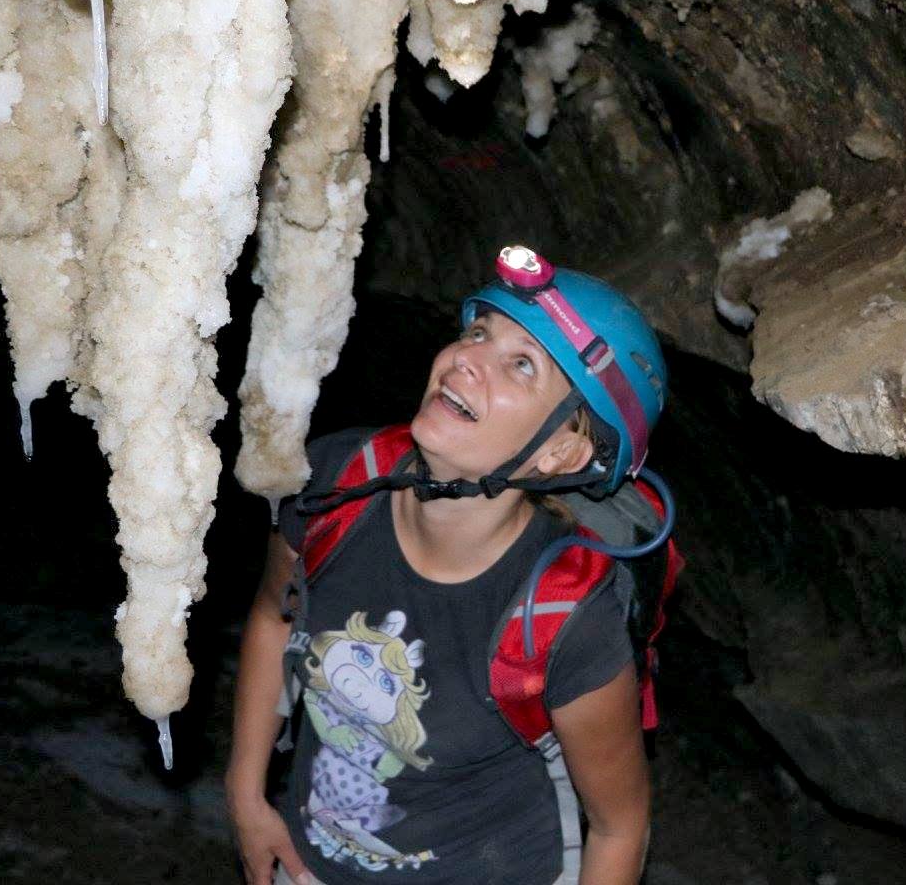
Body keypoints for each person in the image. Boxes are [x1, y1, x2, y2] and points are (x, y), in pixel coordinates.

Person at [226, 246, 668, 885]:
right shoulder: (334, 485)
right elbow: (276, 618)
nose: (466, 358)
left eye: (521, 364)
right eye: (478, 332)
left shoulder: (564, 616)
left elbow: (619, 827)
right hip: (311, 863)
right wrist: (246, 795)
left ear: (563, 453)